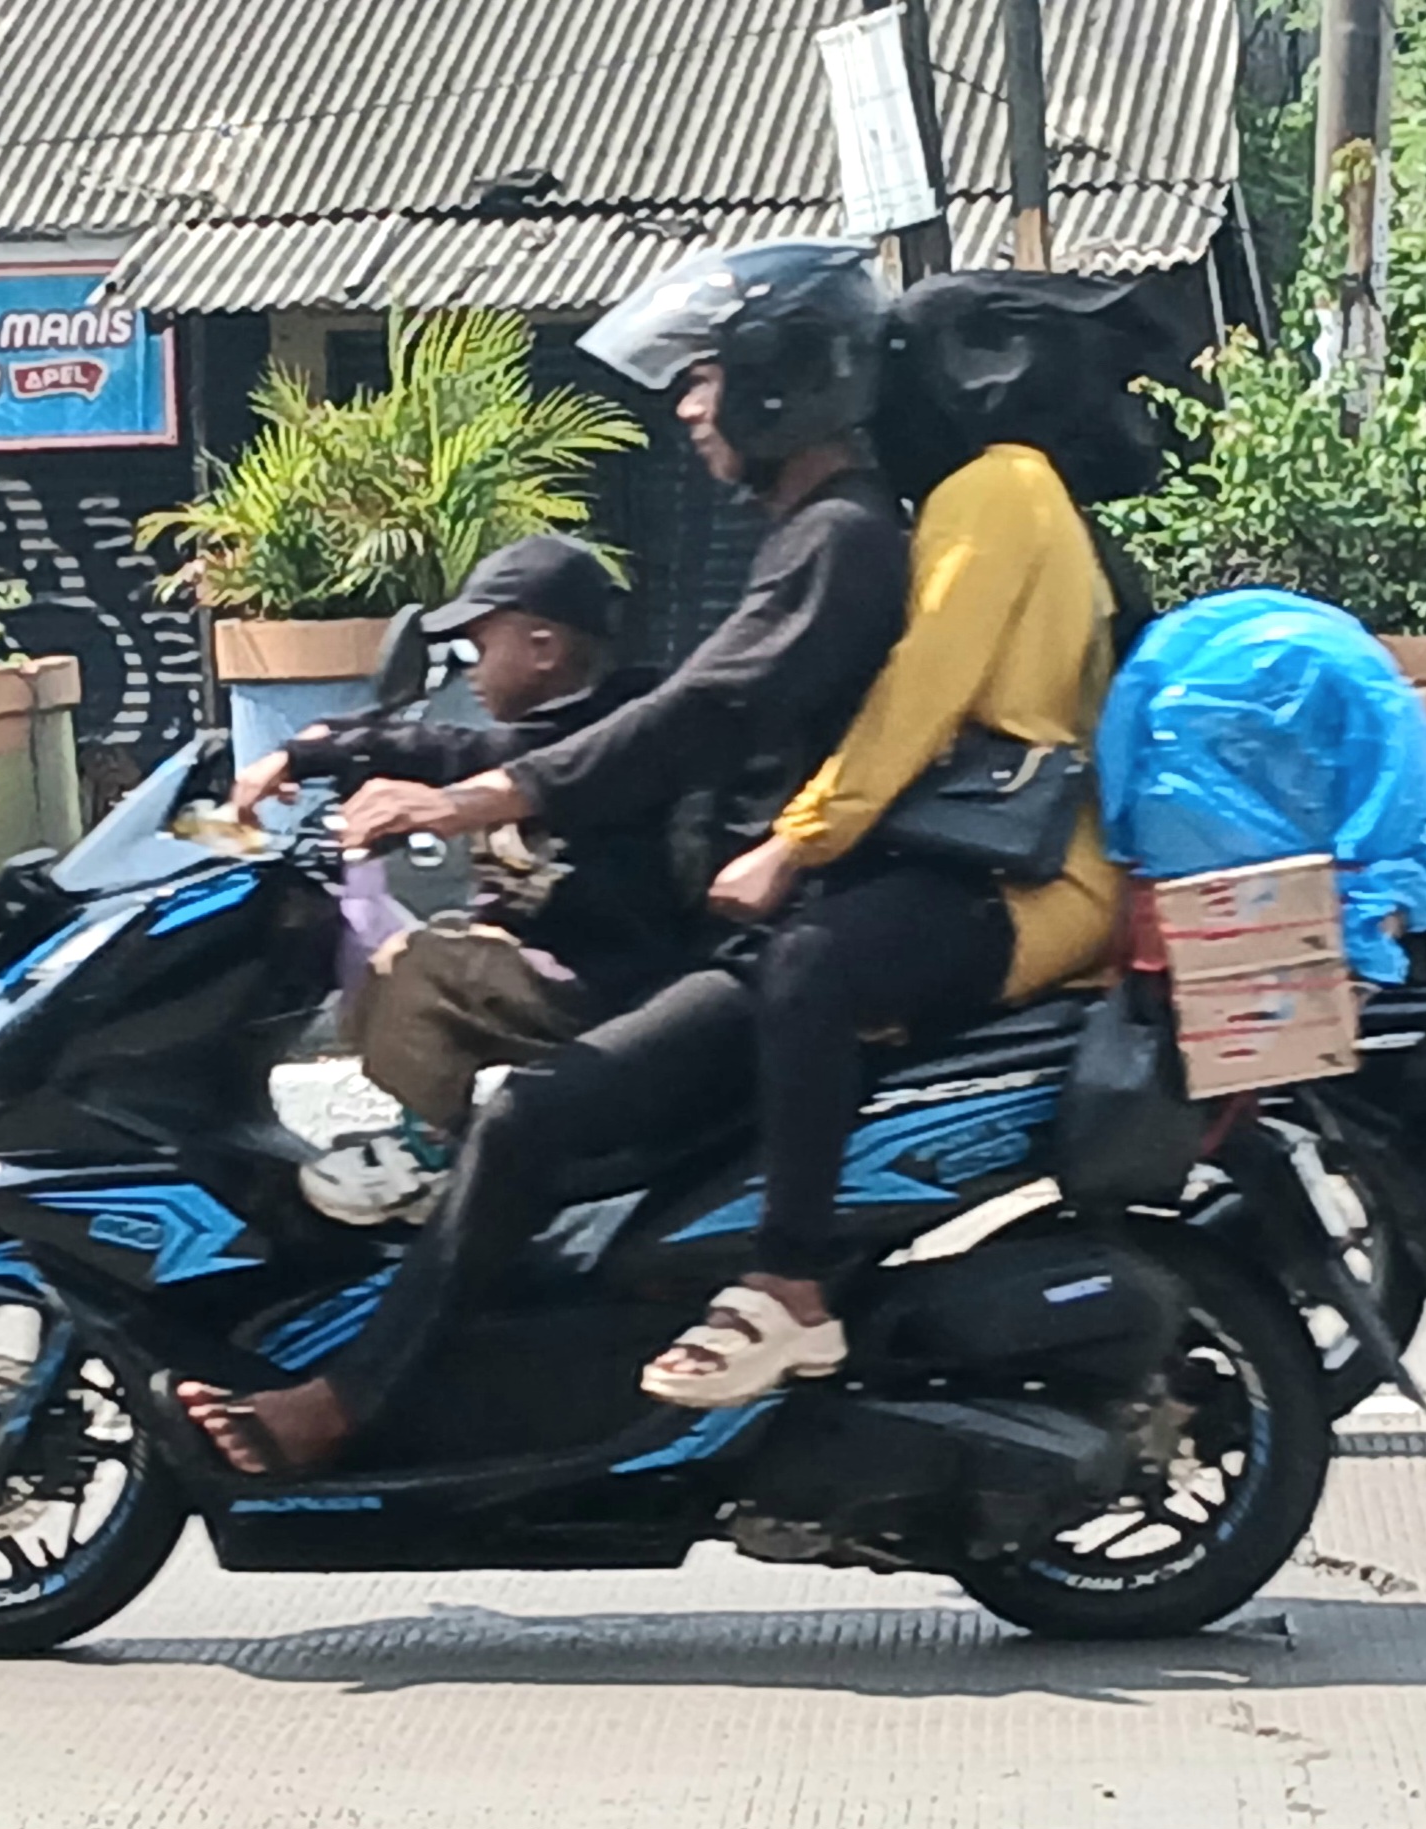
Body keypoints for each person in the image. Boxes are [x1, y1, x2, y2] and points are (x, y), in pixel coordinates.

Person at [175, 239, 911, 1475]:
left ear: (781, 382)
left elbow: (690, 719)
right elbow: (609, 724)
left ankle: (349, 1403)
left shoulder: (838, 537)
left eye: (708, 377)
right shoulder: (812, 539)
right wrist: (333, 754)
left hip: (778, 944)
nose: (687, 403)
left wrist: (482, 799)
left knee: (522, 1118)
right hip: (755, 935)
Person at [638, 272, 1164, 1407]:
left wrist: (796, 842)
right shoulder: (976, 498)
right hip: (981, 860)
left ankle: (788, 1285)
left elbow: (923, 694)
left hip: (1040, 877)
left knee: (812, 967)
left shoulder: (999, 487)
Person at [228, 534, 692, 1223]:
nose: (469, 672)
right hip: (548, 964)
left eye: (479, 647)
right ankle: (452, 1133)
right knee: (381, 965)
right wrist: (302, 756)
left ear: (543, 647)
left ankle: (431, 1154)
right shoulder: (536, 734)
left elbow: (467, 752)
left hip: (614, 979)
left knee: (426, 961)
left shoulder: (615, 729)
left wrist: (322, 755)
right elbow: (452, 748)